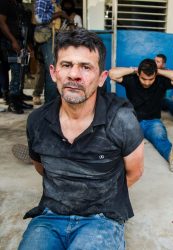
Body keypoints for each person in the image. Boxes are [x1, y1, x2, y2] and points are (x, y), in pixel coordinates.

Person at [18, 28, 144, 249]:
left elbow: (134, 172)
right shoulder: (37, 121)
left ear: (102, 78)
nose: (74, 74)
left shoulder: (121, 119)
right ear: (53, 72)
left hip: (102, 217)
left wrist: (100, 198)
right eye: (66, 65)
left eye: (86, 67)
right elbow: (42, 167)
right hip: (50, 215)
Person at [109, 58, 173, 172]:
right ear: (139, 74)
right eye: (143, 78)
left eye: (151, 79)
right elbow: (112, 74)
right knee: (119, 140)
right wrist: (133, 70)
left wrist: (158, 71)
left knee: (160, 139)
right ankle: (107, 163)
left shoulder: (160, 80)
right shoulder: (132, 79)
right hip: (133, 120)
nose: (147, 82)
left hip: (153, 121)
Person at [0, 0, 33, 113]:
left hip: (20, 42)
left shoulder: (17, 4)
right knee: (16, 70)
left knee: (21, 71)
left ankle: (18, 99)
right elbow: (1, 22)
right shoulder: (4, 2)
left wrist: (26, 44)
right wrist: (13, 41)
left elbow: (22, 25)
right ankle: (12, 102)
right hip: (9, 43)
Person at [34, 0, 68, 103]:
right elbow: (39, 19)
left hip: (54, 36)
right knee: (51, 69)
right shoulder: (43, 0)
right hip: (46, 36)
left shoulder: (57, 2)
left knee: (52, 68)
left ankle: (52, 100)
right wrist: (59, 14)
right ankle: (50, 103)